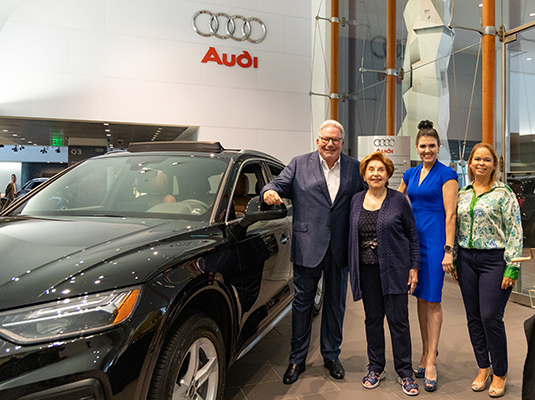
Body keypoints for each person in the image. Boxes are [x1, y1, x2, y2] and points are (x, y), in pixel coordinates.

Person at [261, 119, 364, 384]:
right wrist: (269, 191)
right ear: (317, 141)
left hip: (340, 246)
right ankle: (297, 359)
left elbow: (366, 197)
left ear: (342, 142)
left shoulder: (353, 167)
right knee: (302, 304)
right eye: (325, 139)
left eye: (335, 140)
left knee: (335, 303)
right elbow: (276, 184)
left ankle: (331, 356)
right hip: (308, 246)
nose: (330, 144)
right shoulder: (298, 163)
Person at [454, 143, 522, 398]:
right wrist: (456, 260)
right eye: (476, 159)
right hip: (467, 259)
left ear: (494, 164)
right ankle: (483, 367)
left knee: (490, 316)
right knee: (473, 317)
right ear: (470, 164)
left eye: (486, 160)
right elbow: (457, 227)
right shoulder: (463, 193)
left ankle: (501, 371)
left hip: (495, 260)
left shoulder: (503, 193)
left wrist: (512, 269)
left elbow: (516, 231)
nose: (481, 163)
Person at [349, 152, 420, 396]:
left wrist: (414, 267)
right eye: (371, 170)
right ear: (364, 174)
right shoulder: (356, 200)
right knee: (372, 320)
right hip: (367, 271)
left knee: (398, 322)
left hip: (395, 269)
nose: (375, 173)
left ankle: (405, 372)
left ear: (388, 174)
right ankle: (375, 367)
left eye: (381, 169)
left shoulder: (399, 200)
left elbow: (412, 235)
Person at [398, 120, 458, 392]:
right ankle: (423, 353)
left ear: (438, 146)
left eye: (431, 145)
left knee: (433, 300)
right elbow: (396, 203)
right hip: (413, 242)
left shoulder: (447, 175)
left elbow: (451, 214)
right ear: (417, 147)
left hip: (435, 243)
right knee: (420, 299)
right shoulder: (410, 174)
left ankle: (432, 359)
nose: (427, 150)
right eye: (423, 146)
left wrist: (448, 250)